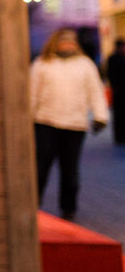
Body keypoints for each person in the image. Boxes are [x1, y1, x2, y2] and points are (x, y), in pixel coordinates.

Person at [30, 28, 109, 220]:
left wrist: (100, 116)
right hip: (46, 122)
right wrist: (28, 117)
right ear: (55, 42)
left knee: (70, 170)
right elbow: (32, 93)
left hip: (75, 124)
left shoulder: (85, 65)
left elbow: (95, 91)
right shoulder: (42, 64)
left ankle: (69, 209)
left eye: (71, 41)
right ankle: (34, 206)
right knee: (41, 168)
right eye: (64, 41)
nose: (68, 44)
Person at [106, 38, 125, 144]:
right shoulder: (113, 58)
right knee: (118, 115)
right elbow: (110, 74)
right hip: (118, 91)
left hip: (119, 90)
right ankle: (119, 137)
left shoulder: (117, 58)